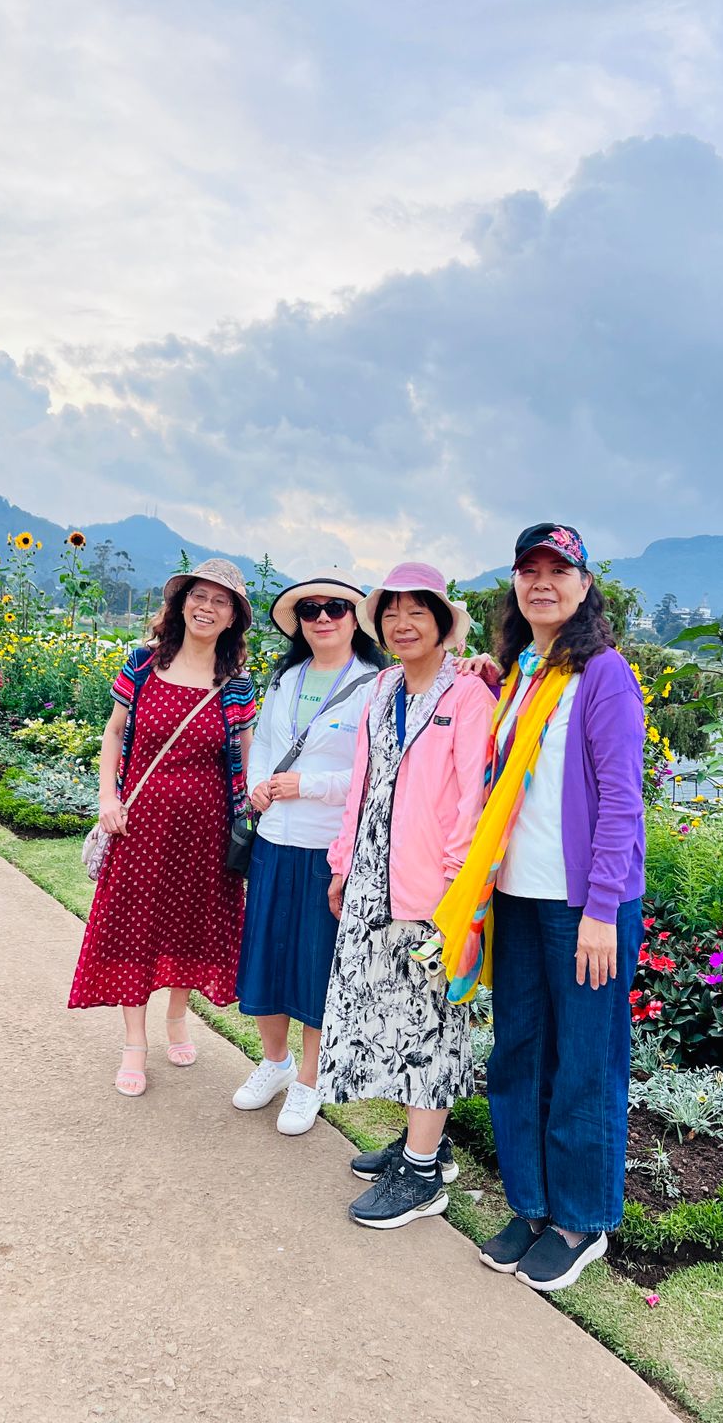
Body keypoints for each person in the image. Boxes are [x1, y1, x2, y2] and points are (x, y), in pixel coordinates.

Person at [437, 524, 645, 1292]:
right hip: (517, 900)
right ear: (516, 586)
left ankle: (580, 1222)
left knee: (585, 1060)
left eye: (560, 570)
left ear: (585, 587)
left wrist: (601, 910)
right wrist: (488, 675)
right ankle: (530, 1206)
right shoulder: (524, 674)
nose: (543, 583)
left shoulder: (603, 675)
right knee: (518, 1054)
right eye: (530, 571)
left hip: (584, 906)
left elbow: (622, 799)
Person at [317, 562, 495, 1229]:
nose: (402, 623)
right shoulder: (384, 687)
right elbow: (363, 784)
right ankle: (429, 1146)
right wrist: (342, 863)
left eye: (418, 611)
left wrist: (455, 891)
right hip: (371, 878)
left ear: (443, 624)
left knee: (430, 1024)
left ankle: (421, 1176)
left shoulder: (468, 696)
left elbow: (473, 802)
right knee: (389, 1015)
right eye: (392, 611)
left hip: (433, 890)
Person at [68, 558, 258, 1097]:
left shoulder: (237, 684)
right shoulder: (143, 663)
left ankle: (177, 1016)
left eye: (220, 601)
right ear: (180, 604)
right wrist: (108, 797)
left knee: (189, 923)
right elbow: (113, 733)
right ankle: (135, 1042)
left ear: (233, 618)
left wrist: (248, 820)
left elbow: (246, 760)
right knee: (136, 924)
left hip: (206, 829)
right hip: (140, 824)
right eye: (198, 595)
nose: (207, 607)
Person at [232, 570, 386, 1135]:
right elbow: (264, 744)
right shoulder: (285, 679)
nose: (323, 618)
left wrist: (308, 785)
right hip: (274, 839)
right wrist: (256, 783)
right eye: (310, 610)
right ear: (298, 623)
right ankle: (275, 1062)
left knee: (316, 963)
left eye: (336, 608)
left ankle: (309, 1080)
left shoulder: (375, 685)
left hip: (328, 848)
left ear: (356, 620)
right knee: (266, 955)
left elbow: (373, 772)